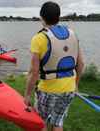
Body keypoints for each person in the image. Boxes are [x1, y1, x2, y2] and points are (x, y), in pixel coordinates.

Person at [24, 2, 84, 131]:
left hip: (48, 90)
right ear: (59, 16)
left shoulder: (39, 38)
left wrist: (27, 95)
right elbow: (81, 64)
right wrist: (76, 85)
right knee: (58, 122)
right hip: (69, 88)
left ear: (41, 17)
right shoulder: (73, 34)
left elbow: (34, 72)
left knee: (41, 123)